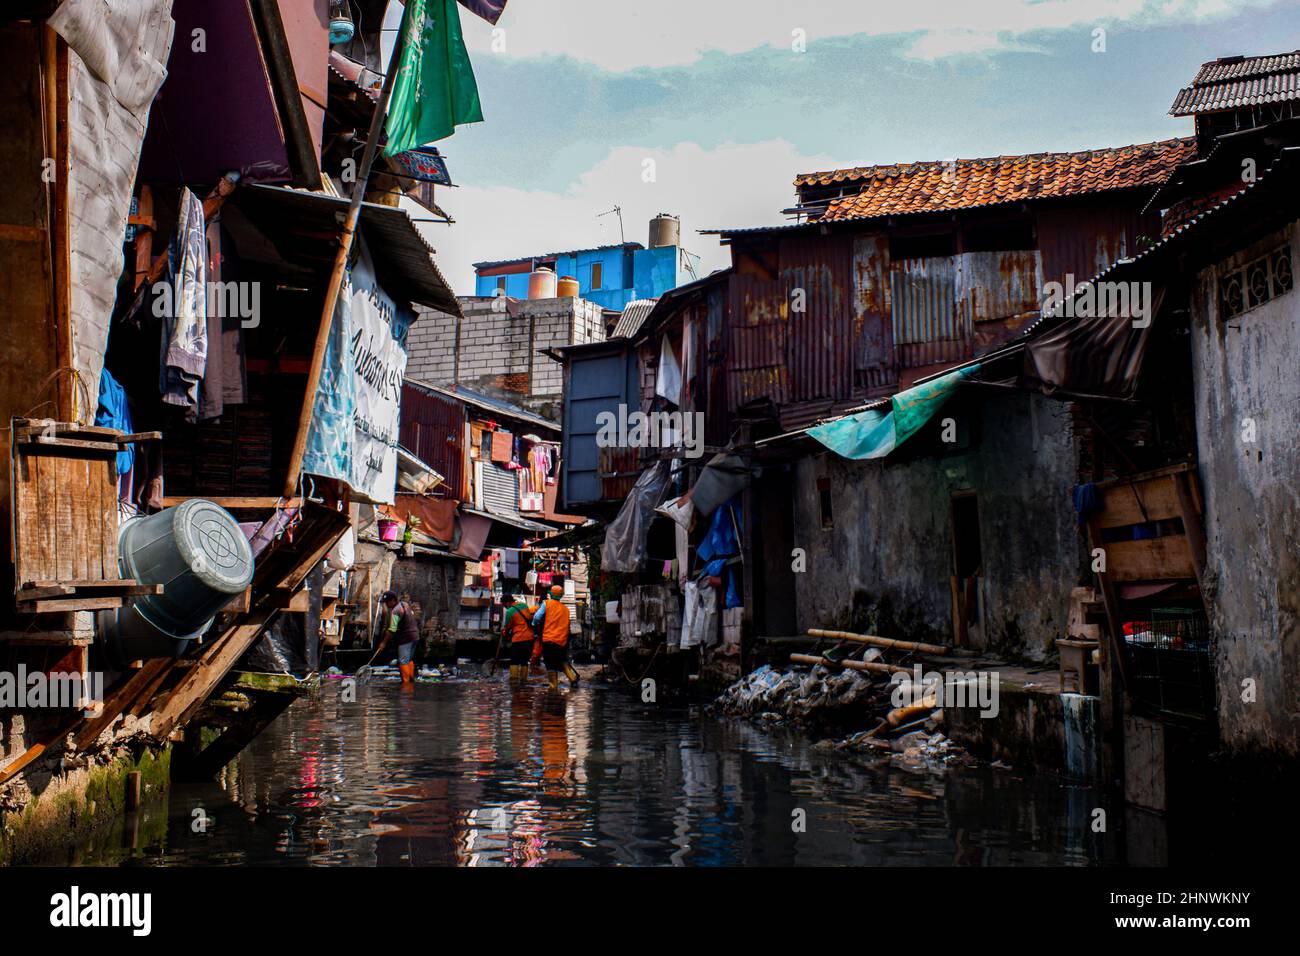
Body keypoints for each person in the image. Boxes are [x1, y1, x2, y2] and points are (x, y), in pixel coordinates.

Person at [532, 584, 580, 691]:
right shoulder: (566, 609)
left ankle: (553, 687)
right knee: (561, 660)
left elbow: (536, 617)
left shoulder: (547, 604)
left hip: (549, 639)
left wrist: (534, 625)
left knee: (550, 663)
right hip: (562, 641)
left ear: (551, 594)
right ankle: (573, 679)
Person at [376, 590, 420, 684]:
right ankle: (411, 681)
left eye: (387, 602)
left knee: (403, 661)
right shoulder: (404, 604)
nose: (386, 605)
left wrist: (383, 643)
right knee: (409, 659)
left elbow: (392, 629)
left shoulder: (395, 611)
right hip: (415, 635)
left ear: (393, 600)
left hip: (406, 638)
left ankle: (406, 684)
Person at [501, 590, 539, 686]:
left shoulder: (510, 611)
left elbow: (508, 626)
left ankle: (513, 681)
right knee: (524, 661)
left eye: (504, 605)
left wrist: (504, 631)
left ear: (507, 602)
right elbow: (529, 618)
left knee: (514, 660)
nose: (505, 607)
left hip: (518, 638)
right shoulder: (524, 605)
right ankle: (523, 681)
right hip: (529, 638)